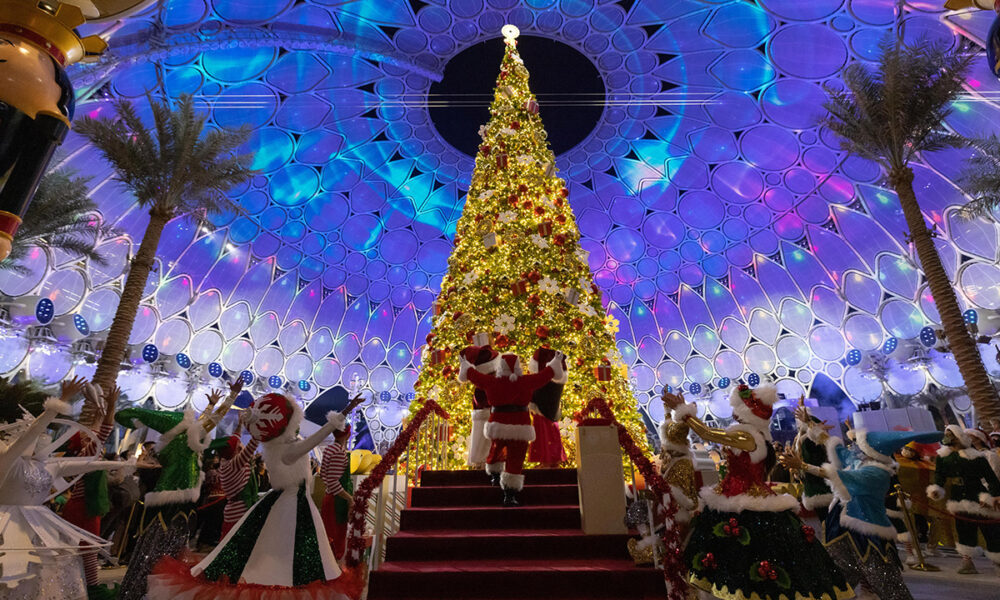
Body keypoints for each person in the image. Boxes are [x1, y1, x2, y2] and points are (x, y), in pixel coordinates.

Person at [147, 393, 364, 600]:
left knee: (269, 548)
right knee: (287, 554)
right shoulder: (288, 450)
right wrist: (343, 413)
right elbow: (316, 438)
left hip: (286, 501)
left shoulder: (278, 447)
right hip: (292, 506)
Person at [665, 384, 852, 600]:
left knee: (746, 560)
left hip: (742, 503)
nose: (733, 411)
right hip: (737, 498)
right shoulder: (755, 435)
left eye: (737, 406)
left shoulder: (747, 436)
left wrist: (683, 411)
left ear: (747, 412)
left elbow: (708, 433)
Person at [0, 377, 125, 600]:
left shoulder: (49, 466)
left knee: (44, 575)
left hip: (40, 526)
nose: (39, 439)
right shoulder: (8, 461)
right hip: (8, 524)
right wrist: (60, 402)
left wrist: (126, 464)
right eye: (36, 436)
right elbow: (31, 433)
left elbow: (93, 461)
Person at [115, 381, 241, 600]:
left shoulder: (179, 443)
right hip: (175, 503)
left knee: (159, 546)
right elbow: (209, 423)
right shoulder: (185, 442)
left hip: (175, 501)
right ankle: (149, 591)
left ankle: (141, 589)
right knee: (163, 549)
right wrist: (231, 396)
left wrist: (212, 405)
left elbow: (205, 422)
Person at [783, 429, 941, 600]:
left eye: (860, 445)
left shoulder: (877, 473)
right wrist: (810, 424)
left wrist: (803, 466)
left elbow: (842, 476)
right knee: (837, 578)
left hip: (868, 533)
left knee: (885, 582)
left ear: (871, 452)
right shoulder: (858, 461)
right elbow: (835, 448)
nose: (855, 448)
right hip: (840, 529)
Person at [459, 350, 564, 507]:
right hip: (520, 428)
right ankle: (510, 493)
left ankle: (495, 474)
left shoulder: (492, 382)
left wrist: (465, 364)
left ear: (501, 367)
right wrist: (556, 362)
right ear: (518, 367)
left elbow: (473, 375)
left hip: (499, 426)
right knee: (515, 460)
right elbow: (545, 375)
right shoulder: (525, 381)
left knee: (495, 451)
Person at [59, 383, 120, 599]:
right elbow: (103, 431)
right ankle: (92, 588)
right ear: (82, 443)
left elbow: (96, 429)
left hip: (80, 505)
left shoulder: (86, 450)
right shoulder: (88, 452)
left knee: (79, 549)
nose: (89, 436)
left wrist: (97, 407)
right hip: (84, 507)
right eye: (85, 436)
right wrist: (111, 408)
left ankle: (74, 583)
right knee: (89, 550)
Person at [927, 425, 1000, 575]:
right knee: (963, 530)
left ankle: (998, 562)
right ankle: (967, 562)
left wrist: (993, 496)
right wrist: (936, 488)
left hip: (978, 495)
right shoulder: (943, 457)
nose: (946, 437)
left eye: (950, 434)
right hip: (958, 498)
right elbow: (939, 476)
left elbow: (991, 479)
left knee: (991, 531)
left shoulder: (976, 456)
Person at [457, 345, 500, 468]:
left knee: (483, 442)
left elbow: (482, 400)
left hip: (486, 417)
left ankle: (483, 463)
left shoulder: (483, 384)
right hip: (489, 416)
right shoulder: (493, 380)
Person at [793, 400, 836, 522]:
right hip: (824, 489)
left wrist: (807, 420)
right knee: (832, 527)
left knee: (828, 527)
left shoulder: (802, 442)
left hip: (816, 490)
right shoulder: (809, 442)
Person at [217, 414, 259, 538]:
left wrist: (240, 424)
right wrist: (260, 425)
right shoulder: (234, 464)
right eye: (239, 447)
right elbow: (252, 445)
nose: (241, 446)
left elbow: (235, 439)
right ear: (235, 452)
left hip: (232, 511)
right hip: (239, 512)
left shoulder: (225, 461)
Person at [527, 348, 568, 468]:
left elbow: (538, 393)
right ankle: (549, 461)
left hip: (543, 412)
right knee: (548, 435)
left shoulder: (546, 379)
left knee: (545, 436)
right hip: (549, 412)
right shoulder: (556, 379)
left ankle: (548, 461)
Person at [320, 423, 354, 560]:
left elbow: (323, 475)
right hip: (336, 502)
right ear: (347, 434)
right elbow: (334, 482)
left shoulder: (329, 449)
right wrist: (349, 498)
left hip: (329, 499)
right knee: (336, 542)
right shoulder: (339, 452)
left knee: (328, 539)